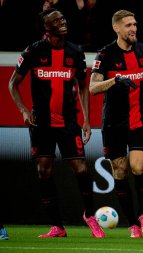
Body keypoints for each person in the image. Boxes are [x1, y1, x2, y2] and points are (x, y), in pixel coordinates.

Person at [8, 8, 104, 238]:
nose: (63, 22)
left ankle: (89, 215)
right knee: (44, 171)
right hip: (41, 123)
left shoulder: (75, 52)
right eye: (57, 20)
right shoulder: (33, 51)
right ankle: (57, 226)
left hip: (68, 122)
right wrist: (23, 110)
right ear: (47, 27)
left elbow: (82, 86)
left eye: (63, 18)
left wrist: (87, 119)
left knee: (81, 169)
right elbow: (13, 84)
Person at [88, 9, 143, 239]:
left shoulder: (142, 49)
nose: (133, 28)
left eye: (135, 24)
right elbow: (93, 88)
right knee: (121, 171)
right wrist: (115, 80)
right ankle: (132, 223)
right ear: (116, 28)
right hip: (113, 124)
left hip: (138, 119)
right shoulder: (105, 55)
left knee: (138, 167)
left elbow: (142, 78)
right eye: (128, 25)